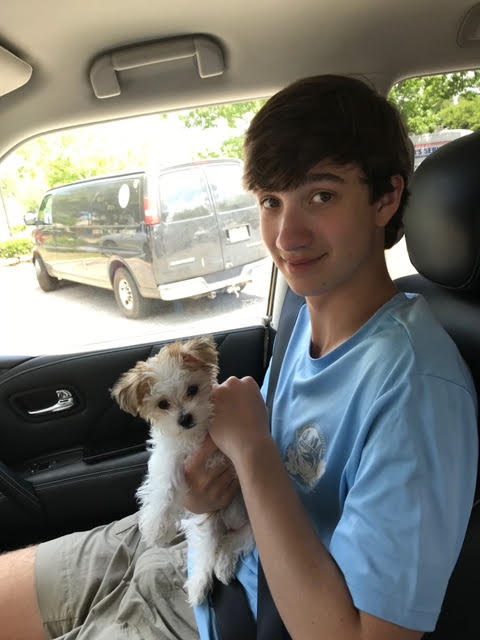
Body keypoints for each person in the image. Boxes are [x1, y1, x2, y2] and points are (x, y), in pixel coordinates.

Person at [0, 74, 477, 640]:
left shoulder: (417, 390)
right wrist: (200, 493)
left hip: (230, 610)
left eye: (321, 196)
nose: (287, 236)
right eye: (271, 201)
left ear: (386, 198)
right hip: (194, 543)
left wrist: (251, 452)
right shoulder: (309, 316)